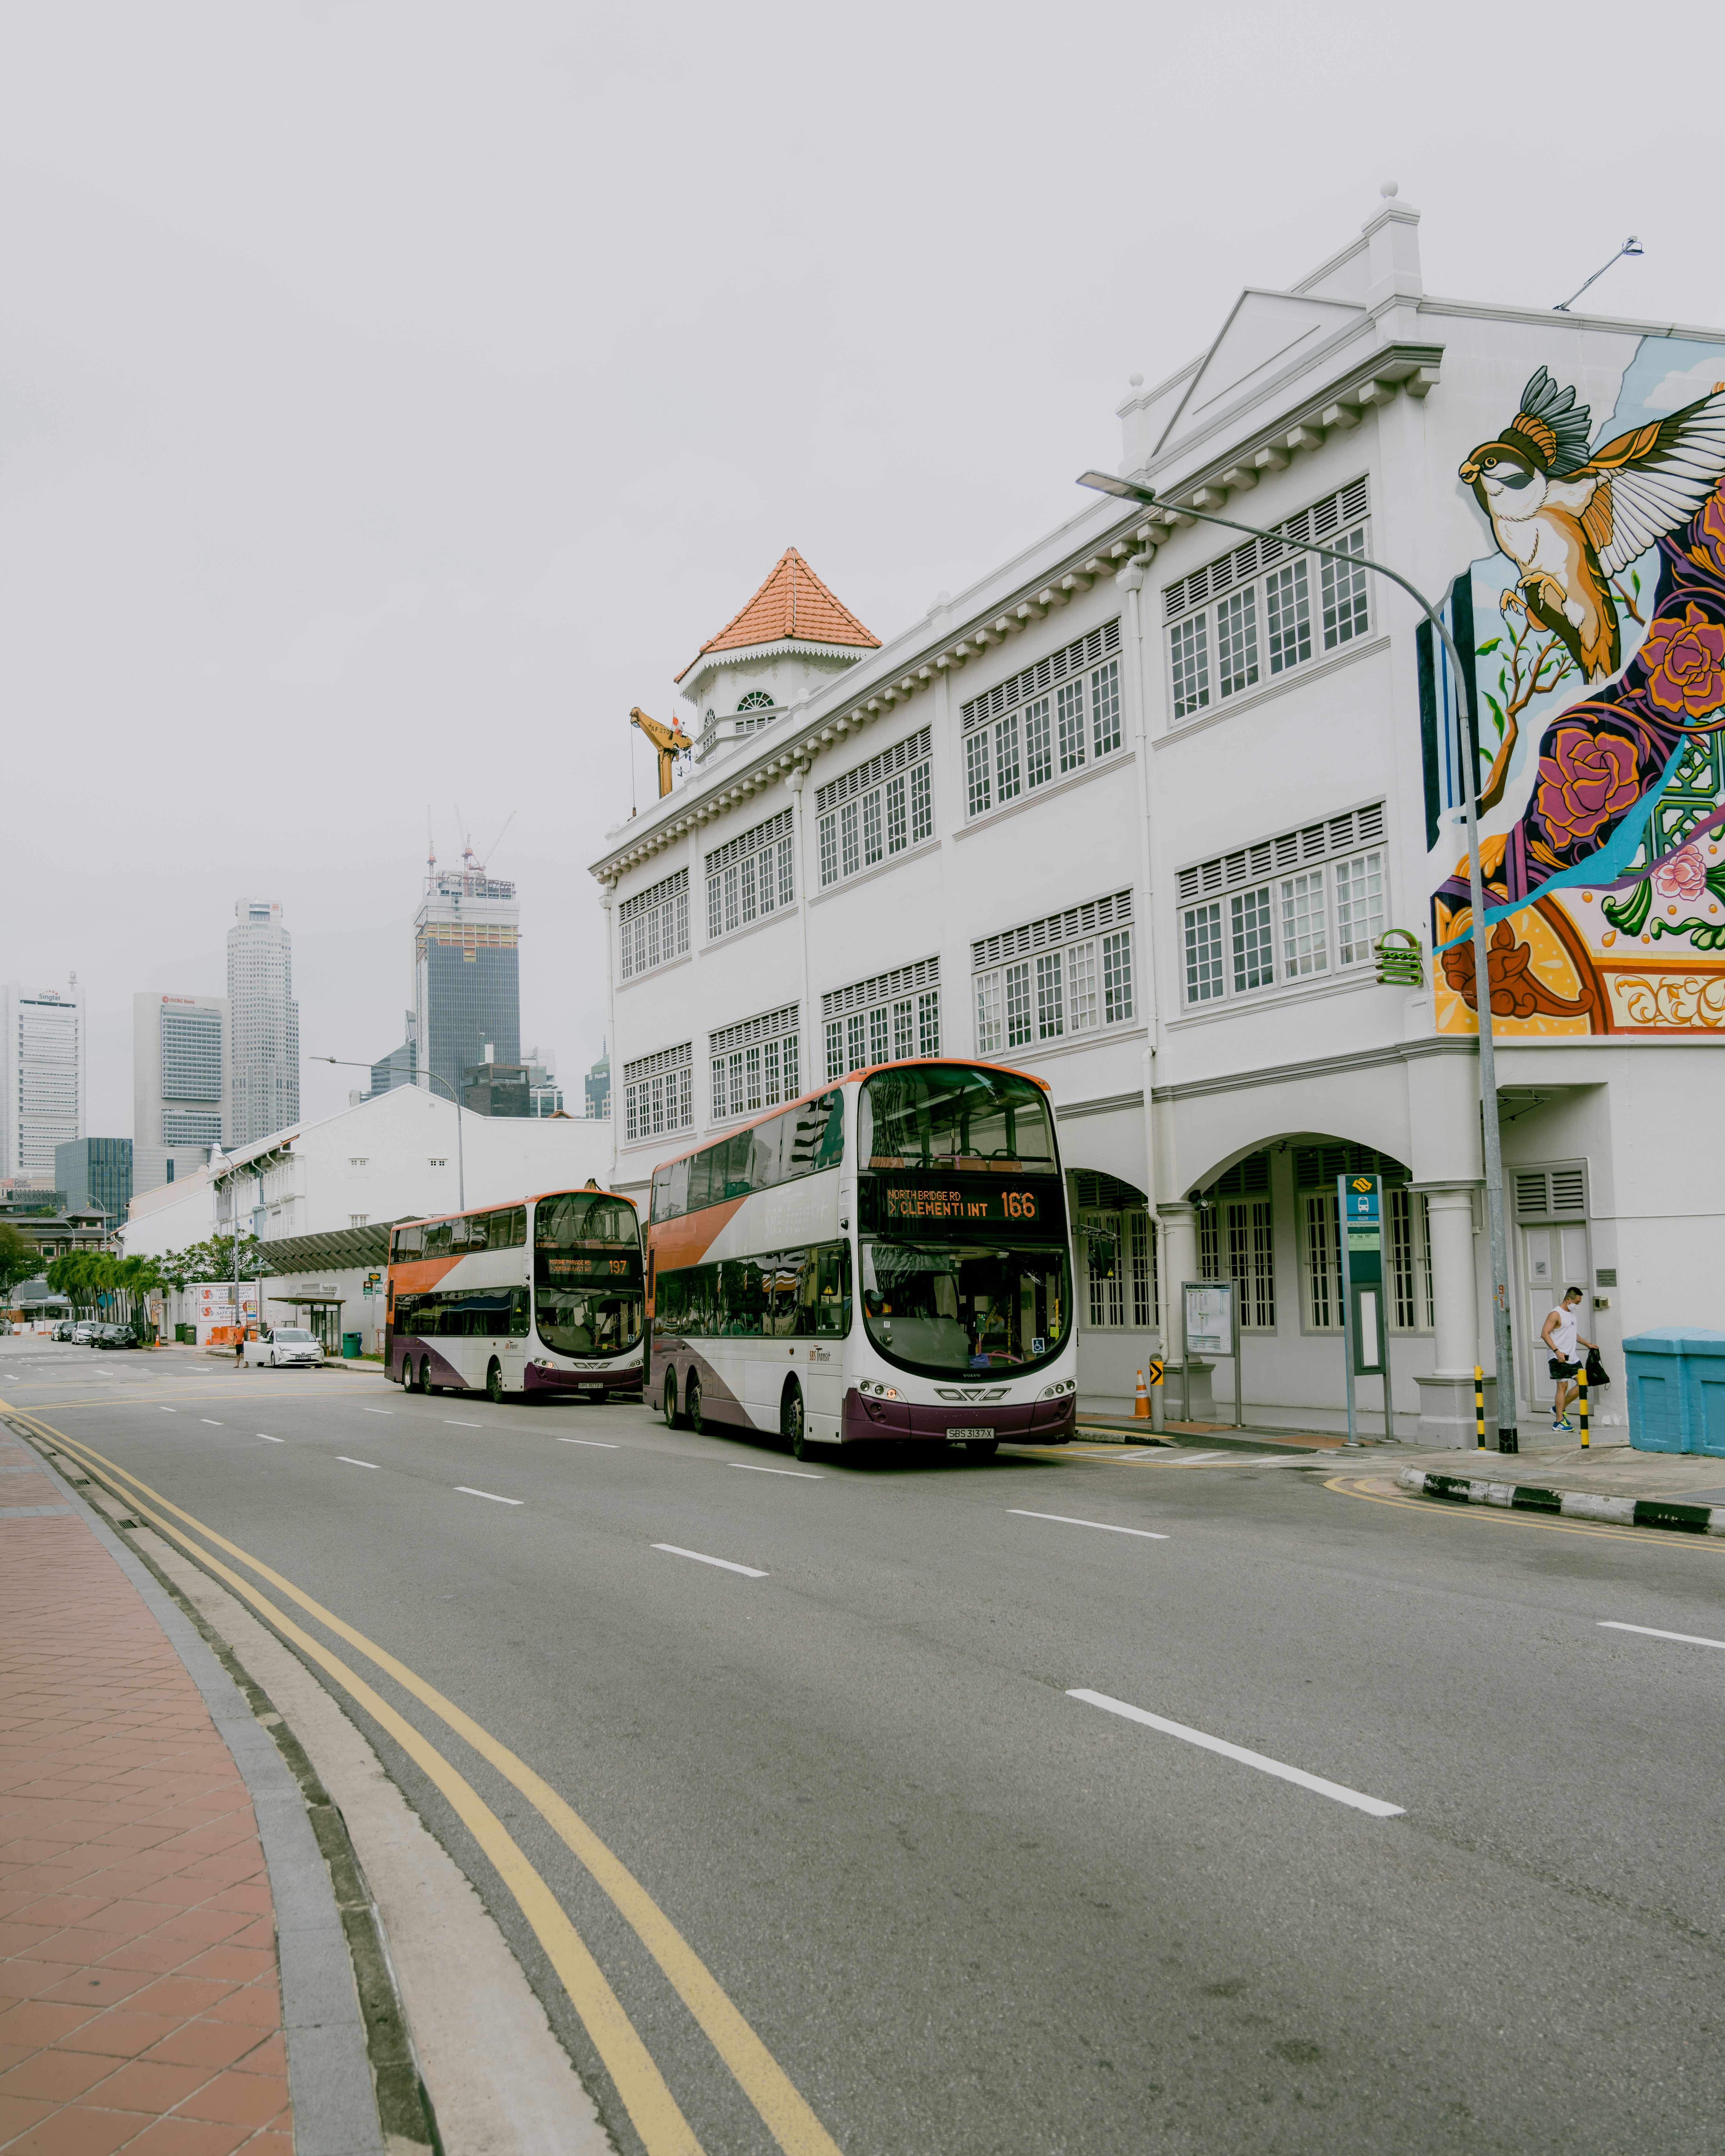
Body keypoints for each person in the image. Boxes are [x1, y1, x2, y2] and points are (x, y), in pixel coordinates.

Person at [1540, 1286, 1595, 1435]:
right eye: (1577, 1302)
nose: (1578, 1305)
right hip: (1558, 1357)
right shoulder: (1555, 1314)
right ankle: (1558, 1422)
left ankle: (1558, 1408)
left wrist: (1587, 1344)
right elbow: (1545, 1334)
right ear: (1569, 1300)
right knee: (1563, 1387)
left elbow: (1572, 1333)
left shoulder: (1571, 1314)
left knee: (1583, 1383)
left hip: (1572, 1357)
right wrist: (1557, 1351)